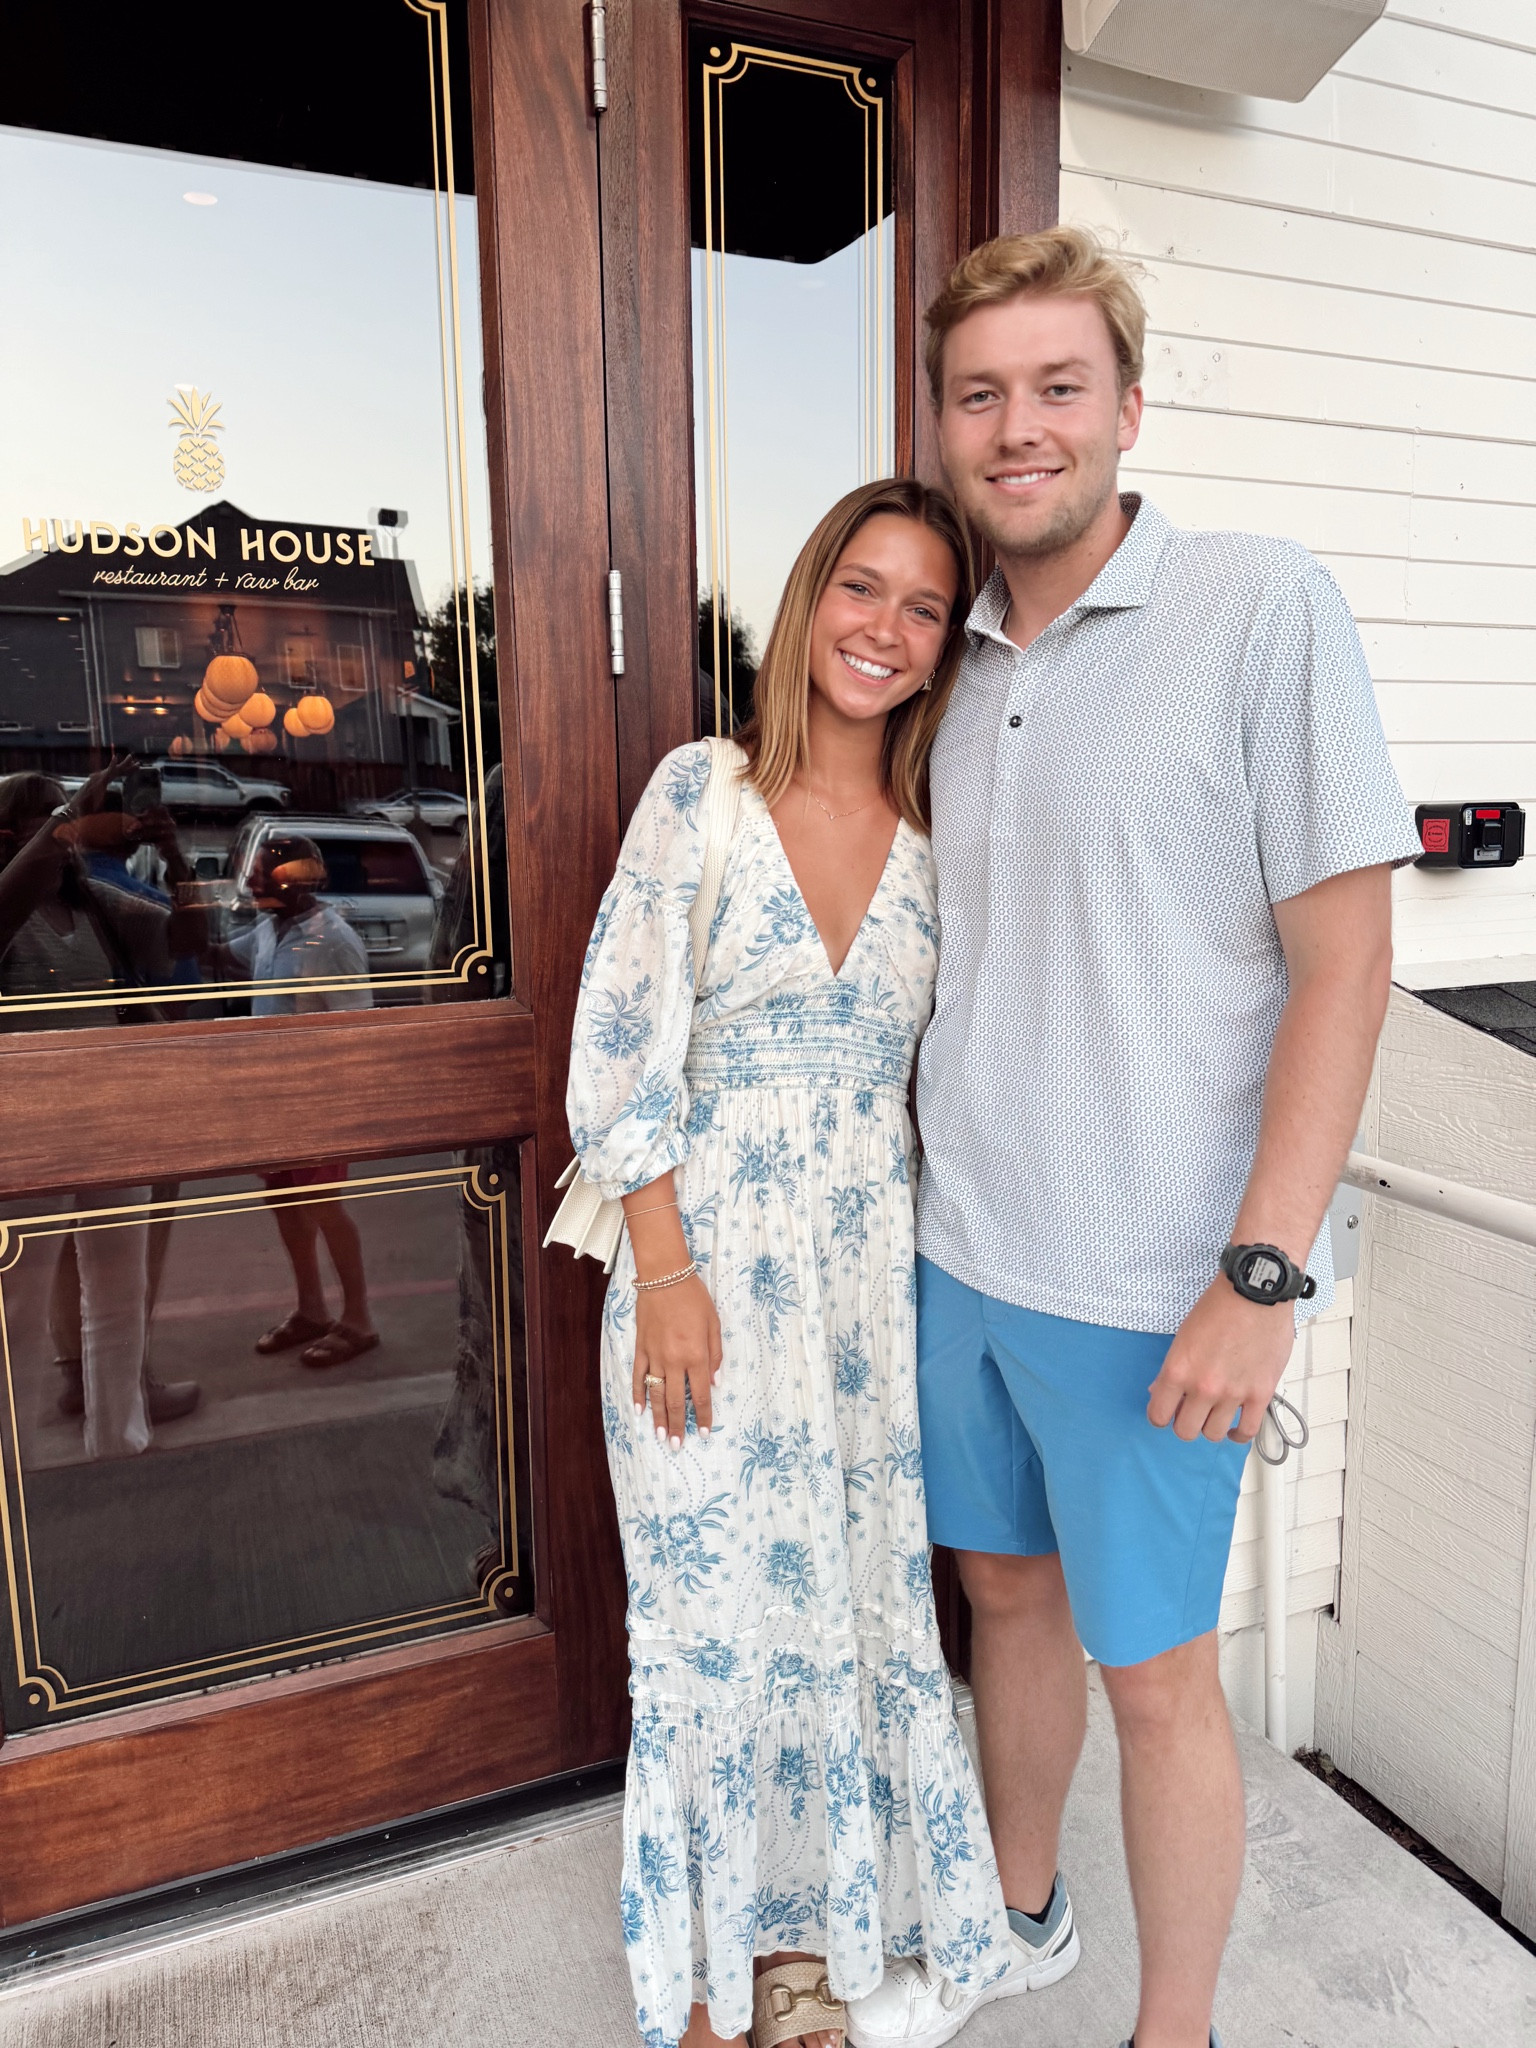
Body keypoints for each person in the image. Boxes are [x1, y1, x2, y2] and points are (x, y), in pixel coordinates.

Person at [853, 228, 1420, 2048]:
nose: (1018, 426)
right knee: (1004, 1603)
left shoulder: (1259, 605)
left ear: (1126, 406)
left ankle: (1168, 2029)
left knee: (1159, 1676)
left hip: (1155, 1282)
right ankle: (1017, 1915)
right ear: (944, 425)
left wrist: (1262, 1276)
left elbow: (1347, 965)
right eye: (980, 393)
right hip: (968, 1257)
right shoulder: (949, 657)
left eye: (1056, 386)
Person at [568, 480, 1056, 2048]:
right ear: (808, 602)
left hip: (865, 1290)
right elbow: (618, 1051)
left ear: (944, 647)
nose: (887, 629)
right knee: (714, 1629)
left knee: (847, 1618)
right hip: (700, 1272)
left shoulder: (939, 834)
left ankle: (820, 1948)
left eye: (925, 608)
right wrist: (668, 1273)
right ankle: (708, 1988)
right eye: (863, 588)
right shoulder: (701, 793)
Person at [0, 763, 204, 1452]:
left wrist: (174, 852)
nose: (73, 832)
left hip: (108, 1122)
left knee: (118, 1295)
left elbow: (191, 939)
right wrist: (73, 815)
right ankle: (14, 1474)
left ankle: (120, 1440)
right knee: (16, 1312)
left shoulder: (94, 908)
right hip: (24, 1135)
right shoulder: (12, 903)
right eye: (51, 820)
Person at [221, 836, 380, 1369]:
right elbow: (217, 951)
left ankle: (358, 1320)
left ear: (299, 880)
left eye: (265, 873)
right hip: (272, 1099)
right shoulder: (271, 929)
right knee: (284, 1201)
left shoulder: (332, 940)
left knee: (322, 1202)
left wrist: (339, 1105)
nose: (254, 882)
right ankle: (311, 1309)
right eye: (255, 872)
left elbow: (355, 1030)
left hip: (316, 1098)